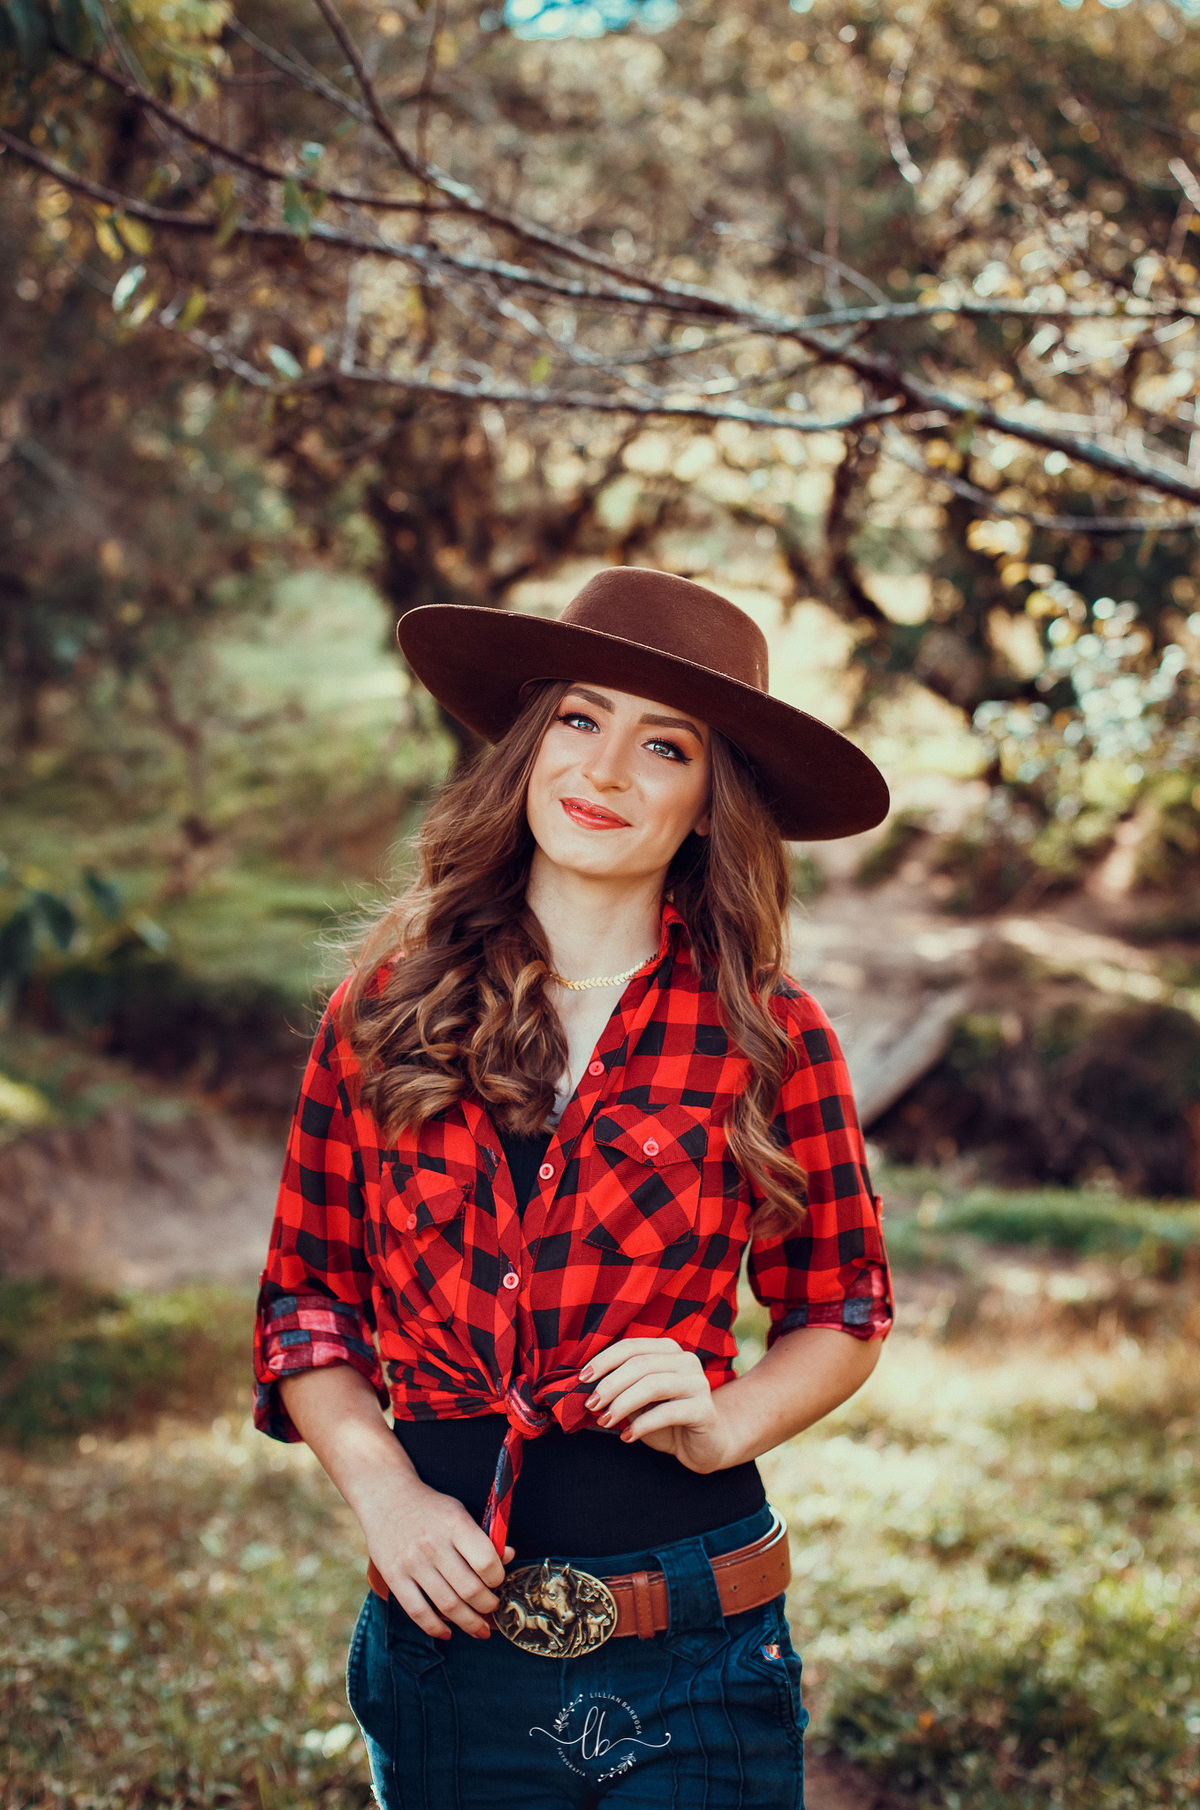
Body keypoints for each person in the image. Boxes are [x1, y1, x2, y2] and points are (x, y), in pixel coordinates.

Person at [253, 567, 893, 1810]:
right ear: (529, 743)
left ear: (711, 801)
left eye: (665, 745)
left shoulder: (772, 1035)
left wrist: (730, 1416)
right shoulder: (380, 1015)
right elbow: (305, 1305)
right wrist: (385, 1495)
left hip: (694, 1651)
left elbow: (845, 1305)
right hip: (448, 1655)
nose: (605, 772)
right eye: (579, 719)